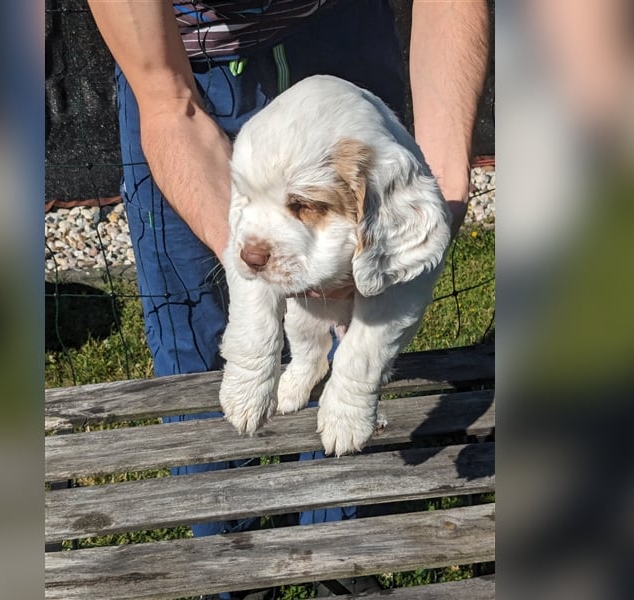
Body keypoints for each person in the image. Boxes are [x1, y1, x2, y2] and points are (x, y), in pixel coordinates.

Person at [87, 0, 488, 591]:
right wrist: (254, 344)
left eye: (303, 204)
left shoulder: (364, 160)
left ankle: (339, 559)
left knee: (349, 386)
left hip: (344, 33)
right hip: (188, 62)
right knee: (199, 360)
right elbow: (168, 101)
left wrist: (441, 183)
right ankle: (226, 565)